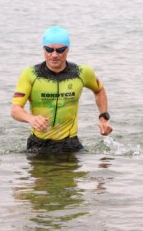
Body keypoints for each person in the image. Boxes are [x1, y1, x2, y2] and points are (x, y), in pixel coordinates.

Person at [11, 25, 113, 154]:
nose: (54, 55)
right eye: (49, 49)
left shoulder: (82, 73)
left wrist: (103, 117)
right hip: (38, 144)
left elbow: (99, 90)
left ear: (67, 50)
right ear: (43, 49)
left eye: (60, 50)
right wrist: (30, 118)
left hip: (70, 144)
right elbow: (15, 110)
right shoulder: (30, 74)